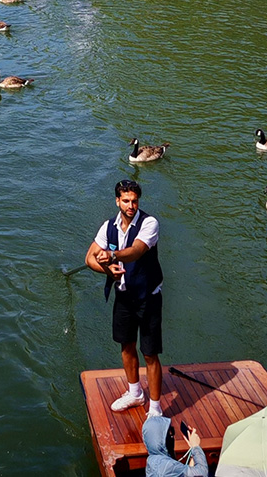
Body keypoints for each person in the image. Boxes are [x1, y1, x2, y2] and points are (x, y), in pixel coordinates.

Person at [85, 179, 166, 417]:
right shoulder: (108, 226)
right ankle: (135, 393)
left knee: (150, 353)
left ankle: (155, 407)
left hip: (147, 297)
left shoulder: (149, 223)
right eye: (126, 201)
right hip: (123, 296)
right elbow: (89, 258)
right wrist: (107, 269)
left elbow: (137, 251)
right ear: (117, 201)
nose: (131, 205)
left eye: (135, 201)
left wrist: (112, 255)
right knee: (126, 345)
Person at [142, 416, 208, 477]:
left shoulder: (152, 461)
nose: (173, 436)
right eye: (170, 432)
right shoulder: (168, 466)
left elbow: (186, 473)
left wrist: (193, 454)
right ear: (162, 439)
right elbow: (202, 473)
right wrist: (196, 447)